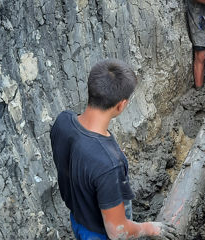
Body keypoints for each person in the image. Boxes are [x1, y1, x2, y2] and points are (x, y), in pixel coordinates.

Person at [50, 59, 177, 240]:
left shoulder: (62, 122)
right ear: (121, 104)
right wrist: (150, 228)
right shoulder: (109, 164)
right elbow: (118, 232)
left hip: (78, 221)